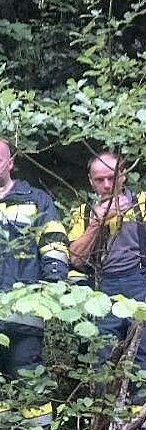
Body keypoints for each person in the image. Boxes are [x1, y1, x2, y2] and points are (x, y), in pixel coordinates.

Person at [0, 139, 68, 381]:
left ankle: (37, 421)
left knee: (30, 390)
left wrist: (52, 289)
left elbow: (54, 244)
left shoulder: (36, 200)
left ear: (10, 163)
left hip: (24, 317)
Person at [68, 151, 146, 373]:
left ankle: (138, 406)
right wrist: (96, 223)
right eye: (100, 179)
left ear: (124, 176)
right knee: (103, 352)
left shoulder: (141, 204)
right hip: (102, 288)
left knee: (141, 353)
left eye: (112, 178)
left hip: (140, 280)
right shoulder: (83, 213)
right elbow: (75, 258)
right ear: (91, 181)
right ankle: (104, 406)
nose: (107, 185)